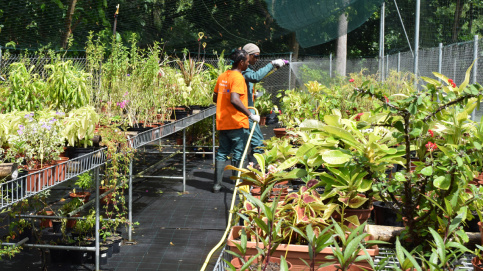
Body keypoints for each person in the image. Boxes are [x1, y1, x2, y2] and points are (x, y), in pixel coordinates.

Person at [212, 49, 260, 193]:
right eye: (246, 61)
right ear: (241, 62)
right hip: (237, 123)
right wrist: (250, 115)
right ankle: (238, 188)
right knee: (239, 154)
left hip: (223, 121)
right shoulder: (238, 77)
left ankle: (216, 186)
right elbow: (234, 99)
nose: (247, 64)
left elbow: (215, 98)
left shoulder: (223, 76)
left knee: (222, 153)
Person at [241, 43, 286, 165]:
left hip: (247, 110)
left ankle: (250, 168)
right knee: (257, 143)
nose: (257, 59)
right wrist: (271, 64)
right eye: (255, 56)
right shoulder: (241, 69)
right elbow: (256, 77)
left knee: (245, 144)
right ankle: (255, 170)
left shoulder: (246, 69)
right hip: (245, 112)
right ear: (248, 55)